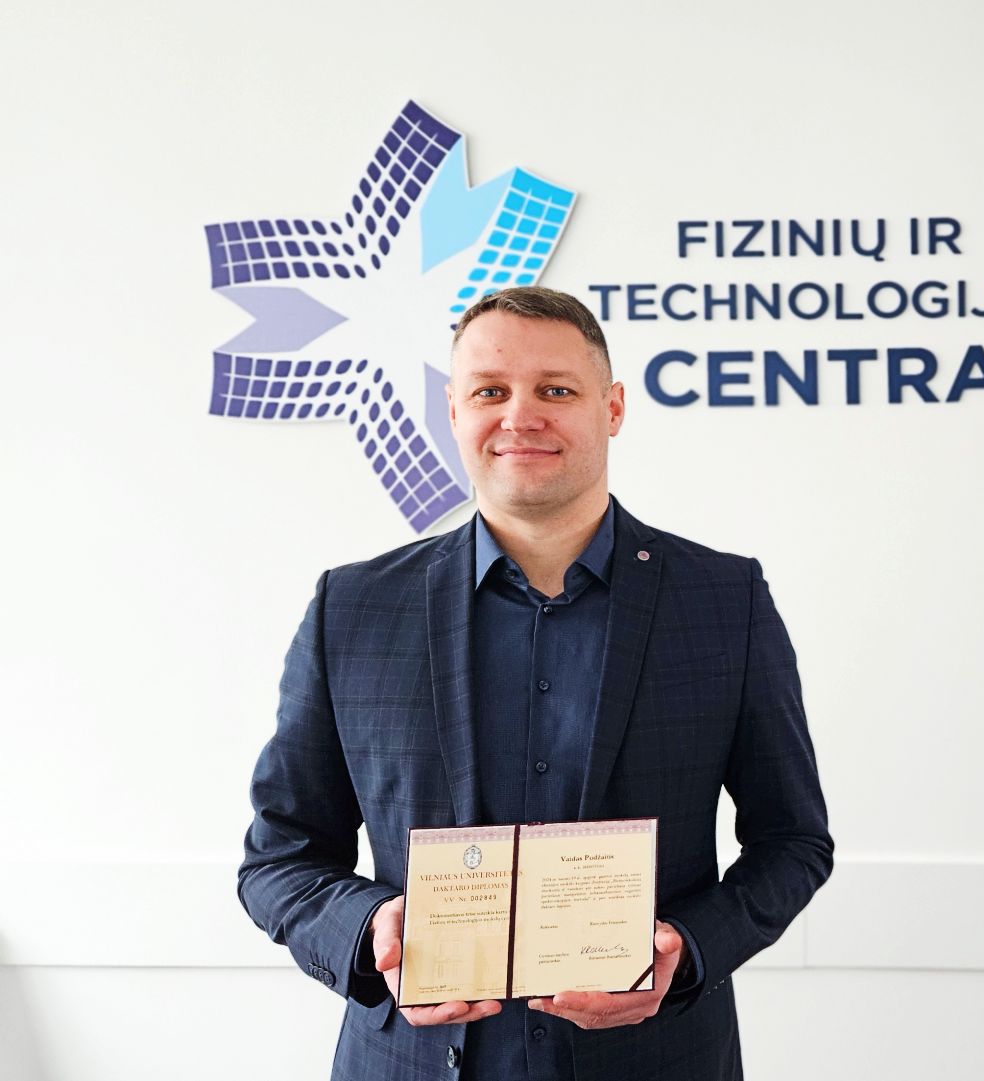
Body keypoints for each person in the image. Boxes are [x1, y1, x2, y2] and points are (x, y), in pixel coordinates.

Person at [239, 286, 833, 1080]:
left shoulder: (724, 600)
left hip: (654, 1061)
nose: (520, 416)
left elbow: (792, 841)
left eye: (555, 389)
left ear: (612, 407)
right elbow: (279, 857)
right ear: (454, 411)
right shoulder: (352, 608)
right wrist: (368, 928)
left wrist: (688, 948)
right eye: (490, 391)